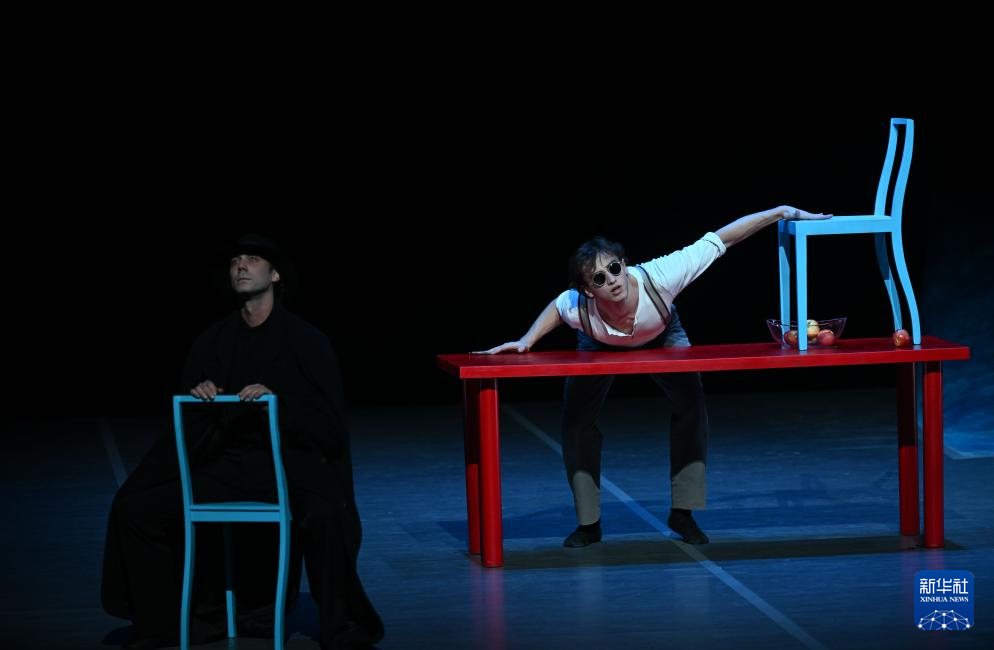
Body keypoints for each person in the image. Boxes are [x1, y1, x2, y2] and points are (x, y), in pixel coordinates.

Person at [477, 206, 831, 547]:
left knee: (692, 406)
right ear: (587, 290)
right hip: (598, 344)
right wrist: (527, 340)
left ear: (624, 264)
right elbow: (557, 307)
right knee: (576, 422)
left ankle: (683, 513)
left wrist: (780, 212)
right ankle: (588, 524)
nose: (612, 280)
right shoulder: (577, 306)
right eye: (599, 278)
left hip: (663, 334)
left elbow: (722, 239)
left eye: (614, 268)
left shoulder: (662, 276)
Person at [101, 234, 383, 650]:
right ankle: (168, 623)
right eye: (235, 260)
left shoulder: (306, 340)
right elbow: (189, 426)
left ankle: (340, 625)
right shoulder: (213, 341)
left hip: (288, 467)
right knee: (136, 507)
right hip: (229, 466)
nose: (241, 265)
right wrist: (204, 396)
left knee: (324, 514)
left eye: (252, 259)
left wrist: (277, 404)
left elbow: (328, 426)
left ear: (275, 275)